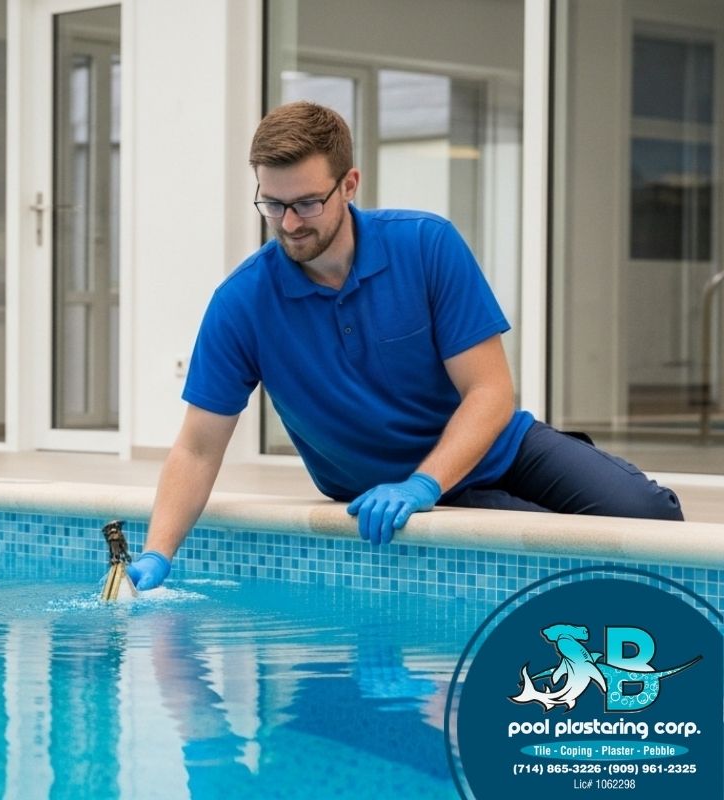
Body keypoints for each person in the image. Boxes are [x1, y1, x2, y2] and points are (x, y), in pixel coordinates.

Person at [126, 101, 683, 591]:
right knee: (547, 548)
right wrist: (158, 552)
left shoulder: (425, 244)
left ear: (350, 184)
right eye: (273, 205)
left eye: (308, 203)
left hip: (497, 448)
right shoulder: (242, 302)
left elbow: (490, 391)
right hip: (382, 493)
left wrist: (424, 483)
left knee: (650, 518)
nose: (290, 223)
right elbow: (198, 448)